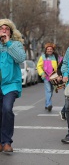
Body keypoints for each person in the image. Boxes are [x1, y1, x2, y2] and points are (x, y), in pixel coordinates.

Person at [0, 19, 26, 152]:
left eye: (7, 28)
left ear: (10, 32)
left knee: (7, 109)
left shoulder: (16, 44)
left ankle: (6, 141)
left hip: (11, 84)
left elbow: (21, 59)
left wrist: (8, 43)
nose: (4, 30)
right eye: (1, 28)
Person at [37, 43, 62, 112]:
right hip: (46, 77)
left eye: (51, 49)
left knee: (51, 91)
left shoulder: (57, 57)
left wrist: (60, 74)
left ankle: (46, 104)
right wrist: (42, 73)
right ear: (46, 50)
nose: (49, 50)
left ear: (53, 50)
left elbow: (62, 64)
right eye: (48, 49)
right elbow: (39, 66)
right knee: (48, 90)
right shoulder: (42, 57)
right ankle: (49, 104)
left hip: (54, 77)